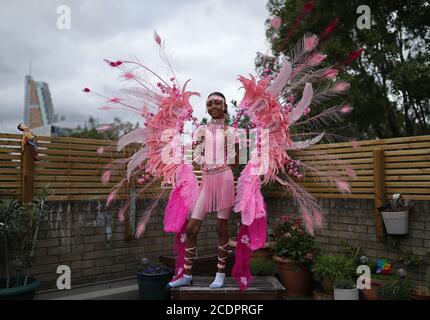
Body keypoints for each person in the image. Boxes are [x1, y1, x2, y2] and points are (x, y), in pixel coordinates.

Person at [167, 92, 239, 289]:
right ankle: (187, 274)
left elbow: (237, 160)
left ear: (224, 107)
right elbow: (196, 159)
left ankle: (220, 273)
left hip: (223, 178)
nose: (213, 106)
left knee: (220, 227)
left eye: (217, 103)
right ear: (207, 107)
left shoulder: (231, 132)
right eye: (210, 103)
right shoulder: (199, 130)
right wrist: (198, 149)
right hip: (206, 181)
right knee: (191, 228)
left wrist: (234, 145)